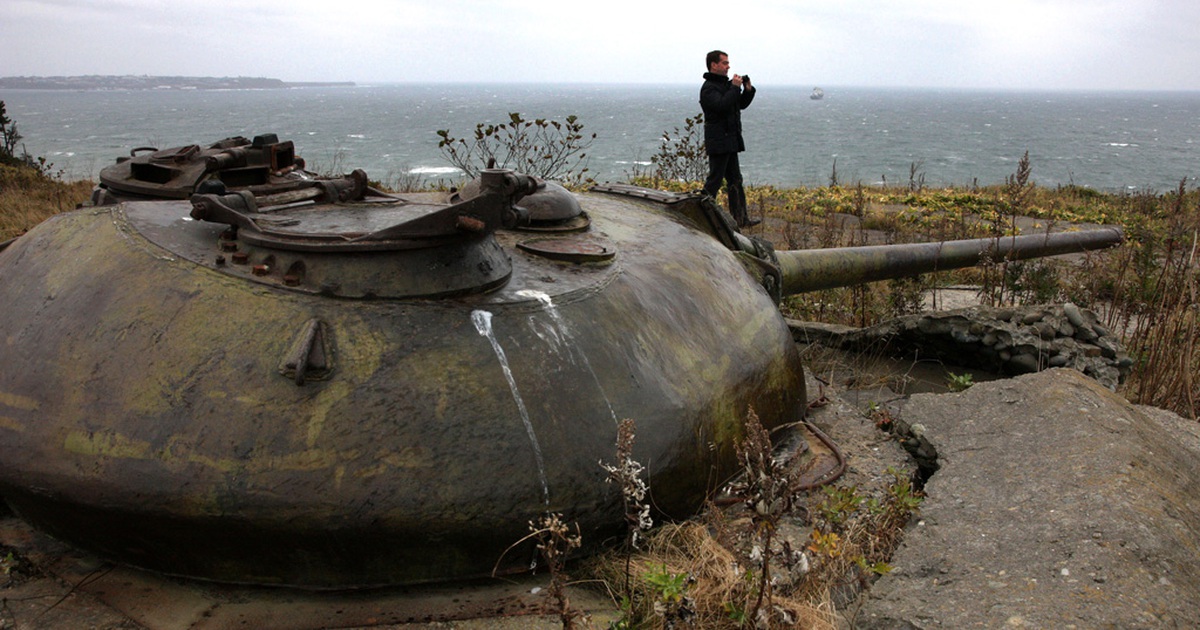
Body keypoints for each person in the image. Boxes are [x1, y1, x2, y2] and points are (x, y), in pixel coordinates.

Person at [699, 50, 759, 228]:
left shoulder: (724, 85)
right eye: (724, 63)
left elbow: (738, 105)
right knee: (714, 181)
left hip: (730, 140)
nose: (728, 66)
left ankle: (741, 219)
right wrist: (734, 87)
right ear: (714, 65)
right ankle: (701, 216)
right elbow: (721, 105)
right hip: (719, 141)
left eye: (727, 63)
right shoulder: (708, 88)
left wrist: (747, 90)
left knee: (735, 180)